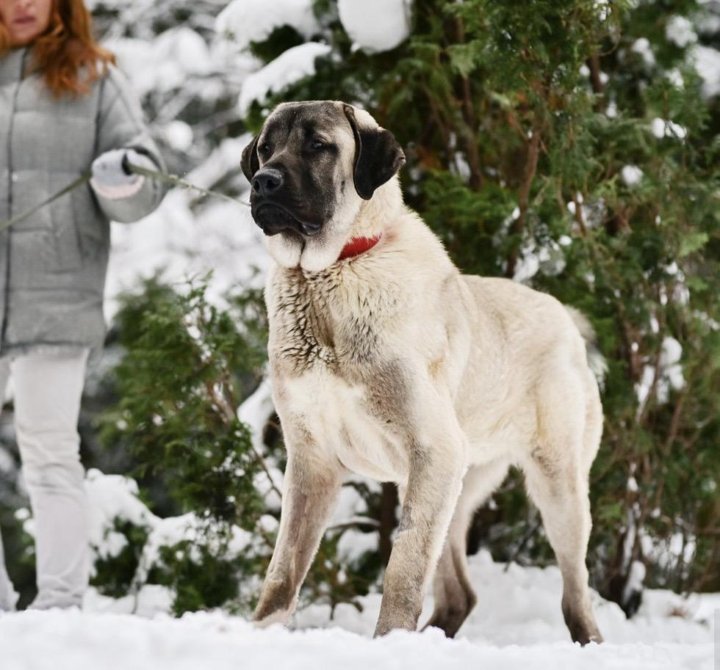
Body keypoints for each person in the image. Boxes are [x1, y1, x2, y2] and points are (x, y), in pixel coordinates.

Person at [0, 0, 165, 610]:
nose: (21, 5)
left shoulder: (94, 76)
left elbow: (144, 180)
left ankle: (60, 602)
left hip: (56, 290)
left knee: (48, 449)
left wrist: (120, 175)